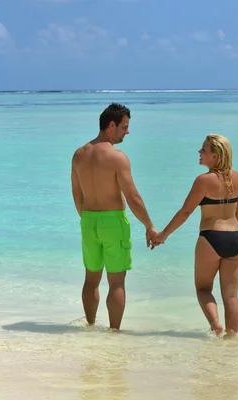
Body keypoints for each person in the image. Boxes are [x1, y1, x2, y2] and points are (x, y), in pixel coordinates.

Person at [71, 103, 157, 331]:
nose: (127, 132)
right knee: (116, 281)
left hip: (88, 220)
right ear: (112, 125)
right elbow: (133, 197)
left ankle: (89, 327)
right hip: (113, 221)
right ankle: (114, 333)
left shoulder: (79, 154)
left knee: (91, 279)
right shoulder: (117, 157)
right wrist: (149, 226)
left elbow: (77, 195)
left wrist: (87, 220)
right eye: (124, 127)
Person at [151, 133, 238, 338]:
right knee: (231, 296)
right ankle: (232, 342)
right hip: (236, 239)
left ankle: (215, 326)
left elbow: (185, 212)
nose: (199, 152)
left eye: (204, 149)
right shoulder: (237, 178)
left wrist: (163, 235)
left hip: (211, 238)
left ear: (216, 156)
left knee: (203, 289)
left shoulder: (204, 181)